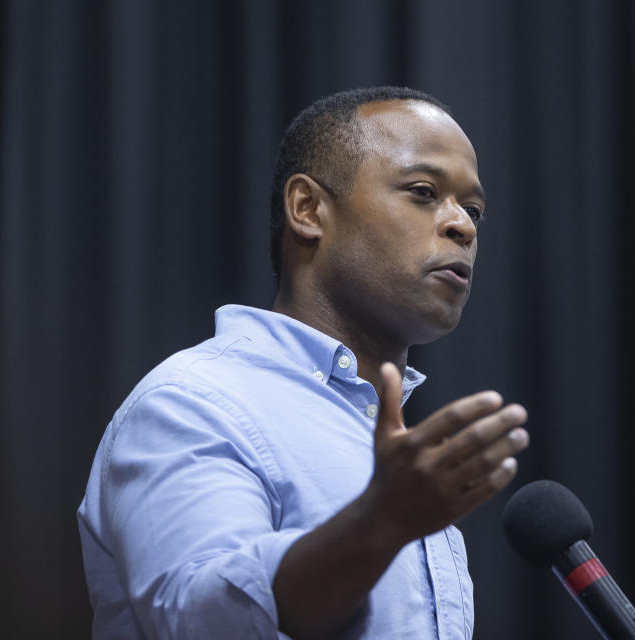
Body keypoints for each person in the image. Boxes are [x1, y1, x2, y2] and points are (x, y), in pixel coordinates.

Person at [77, 86, 530, 639]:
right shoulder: (191, 402)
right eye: (423, 191)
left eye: (474, 209)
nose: (463, 225)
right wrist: (382, 523)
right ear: (308, 209)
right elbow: (202, 622)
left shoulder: (400, 468)